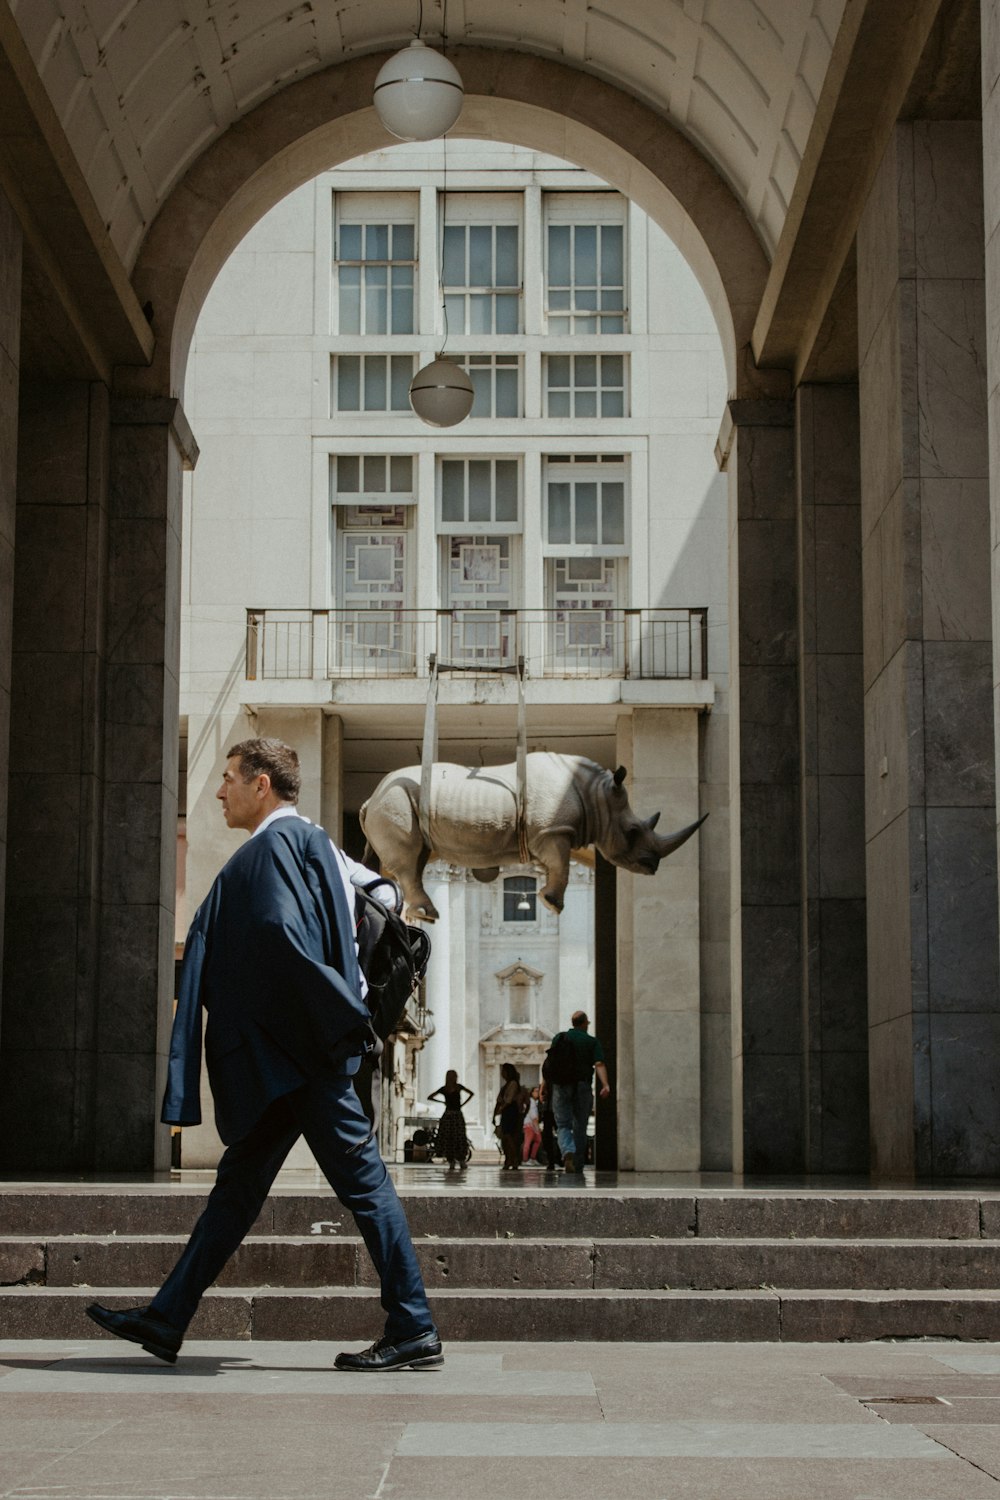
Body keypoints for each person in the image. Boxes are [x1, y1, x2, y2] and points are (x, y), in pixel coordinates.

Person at [86, 737, 442, 1373]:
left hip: (303, 1056)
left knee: (364, 1187)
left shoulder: (280, 844)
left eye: (228, 778)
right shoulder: (309, 844)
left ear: (262, 785)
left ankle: (413, 1326)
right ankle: (167, 1317)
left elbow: (286, 936)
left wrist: (339, 1002)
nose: (219, 791)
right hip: (297, 1058)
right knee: (237, 1189)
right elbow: (380, 897)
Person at [548, 1010, 610, 1174]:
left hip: (560, 1086)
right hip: (582, 1085)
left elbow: (550, 1064)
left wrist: (543, 1086)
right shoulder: (591, 1041)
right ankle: (578, 1162)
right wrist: (605, 1084)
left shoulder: (559, 1038)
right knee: (580, 1126)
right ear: (584, 1024)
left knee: (563, 1124)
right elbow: (599, 1064)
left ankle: (567, 1151)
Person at [427, 1070, 473, 1167]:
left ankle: (453, 1160)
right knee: (457, 1136)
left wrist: (441, 1102)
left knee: (451, 1137)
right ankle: (459, 1160)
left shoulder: (445, 1089)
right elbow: (471, 1094)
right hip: (456, 1114)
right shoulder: (458, 1087)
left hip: (449, 1115)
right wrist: (462, 1104)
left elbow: (430, 1097)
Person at [493, 1062, 526, 1169]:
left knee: (509, 1136)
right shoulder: (506, 1085)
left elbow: (509, 1100)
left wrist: (500, 1110)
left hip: (510, 1112)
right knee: (506, 1137)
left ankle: (514, 1159)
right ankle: (509, 1159)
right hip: (507, 1112)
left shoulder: (513, 1084)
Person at [522, 1084, 542, 1163]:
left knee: (537, 1140)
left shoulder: (534, 1102)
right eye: (536, 1091)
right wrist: (536, 1127)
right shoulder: (531, 1102)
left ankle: (532, 1157)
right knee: (528, 1142)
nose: (537, 1093)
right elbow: (533, 1116)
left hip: (532, 1124)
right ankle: (525, 1159)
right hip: (530, 1124)